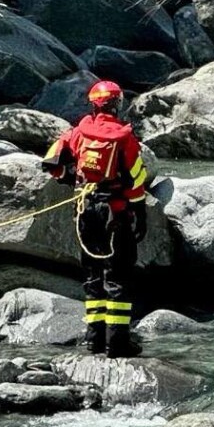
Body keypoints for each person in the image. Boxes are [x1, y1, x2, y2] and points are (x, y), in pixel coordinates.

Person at [41, 80, 150, 358]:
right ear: (118, 105)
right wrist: (139, 211)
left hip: (84, 209)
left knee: (92, 273)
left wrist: (69, 179)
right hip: (115, 212)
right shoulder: (124, 136)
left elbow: (51, 160)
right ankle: (118, 343)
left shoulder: (79, 132)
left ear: (93, 104)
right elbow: (136, 180)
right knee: (117, 275)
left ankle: (95, 339)